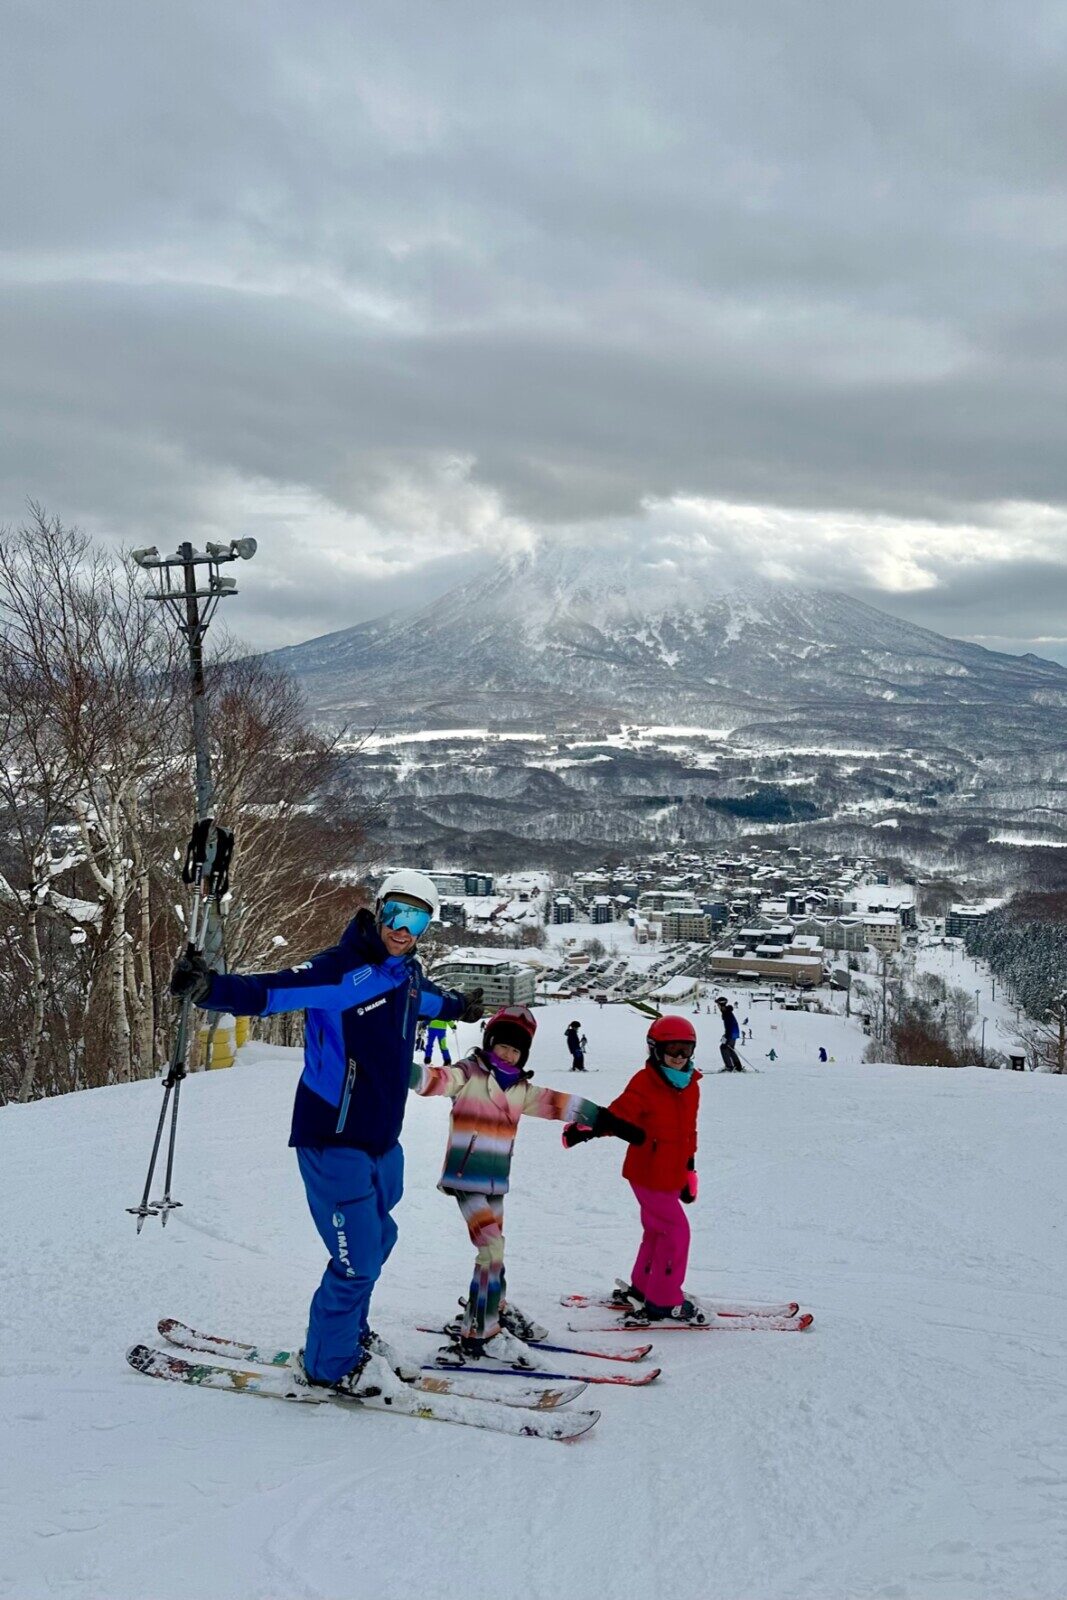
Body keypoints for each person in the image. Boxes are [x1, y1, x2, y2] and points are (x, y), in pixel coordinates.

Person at [170, 868, 484, 1398]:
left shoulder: (408, 977)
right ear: (379, 910)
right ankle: (328, 1366)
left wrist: (462, 1004)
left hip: (382, 1140)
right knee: (356, 1260)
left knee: (378, 1241)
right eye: (396, 914)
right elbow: (269, 991)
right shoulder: (340, 970)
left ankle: (351, 1335)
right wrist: (209, 988)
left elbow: (431, 1001)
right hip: (332, 1137)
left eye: (416, 921)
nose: (402, 929)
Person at [411, 1005, 638, 1365]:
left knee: (495, 1249)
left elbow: (559, 1103)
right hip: (465, 1179)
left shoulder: (520, 1089)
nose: (508, 1054)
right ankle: (480, 1335)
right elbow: (435, 1079)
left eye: (516, 1050)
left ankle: (493, 1308)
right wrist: (400, 1068)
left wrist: (607, 1120)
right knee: (491, 1250)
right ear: (489, 1042)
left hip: (495, 1182)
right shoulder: (468, 1074)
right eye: (502, 1045)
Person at [564, 1014, 707, 1326]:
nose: (679, 1058)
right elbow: (620, 1115)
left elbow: (689, 1132)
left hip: (672, 1172)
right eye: (671, 1050)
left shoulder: (691, 1086)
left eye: (685, 1050)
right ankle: (664, 1301)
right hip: (648, 1173)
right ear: (655, 1050)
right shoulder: (646, 1082)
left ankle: (644, 1287)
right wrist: (588, 1128)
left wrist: (689, 1168)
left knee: (657, 1231)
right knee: (677, 1233)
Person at [715, 996, 744, 1072]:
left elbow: (729, 1025)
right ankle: (738, 1066)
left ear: (721, 1005)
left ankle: (729, 1066)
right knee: (730, 1048)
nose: (717, 1006)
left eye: (718, 1004)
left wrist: (727, 1036)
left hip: (731, 1033)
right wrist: (726, 1035)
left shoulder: (726, 1013)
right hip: (733, 1032)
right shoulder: (727, 1012)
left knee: (723, 1048)